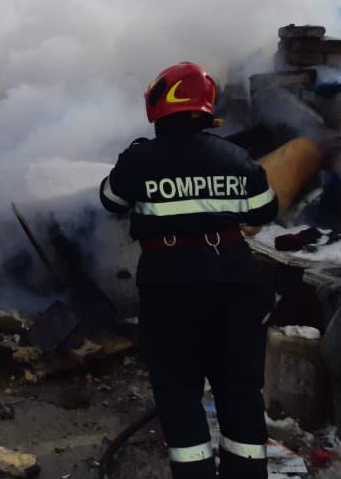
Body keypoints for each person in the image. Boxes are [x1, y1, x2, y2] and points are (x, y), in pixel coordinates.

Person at [100, 62, 278, 479]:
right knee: (239, 386)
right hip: (234, 283)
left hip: (170, 287)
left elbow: (111, 201)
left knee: (178, 389)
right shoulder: (236, 157)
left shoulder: (141, 158)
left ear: (160, 103)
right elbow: (265, 210)